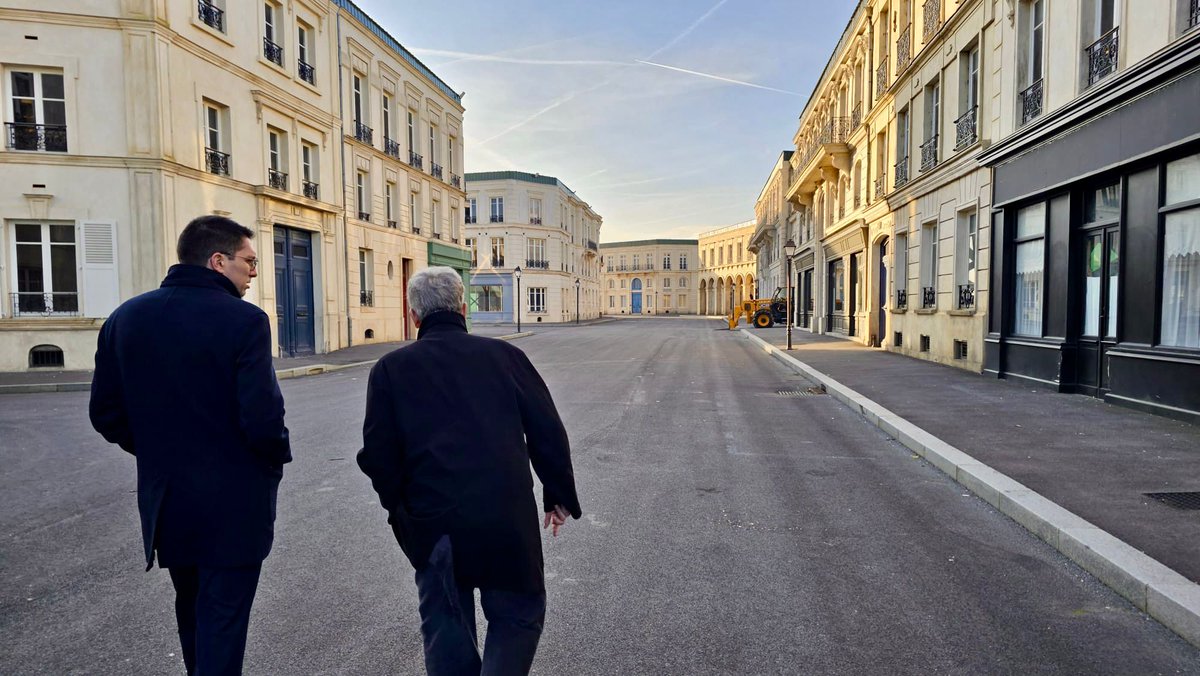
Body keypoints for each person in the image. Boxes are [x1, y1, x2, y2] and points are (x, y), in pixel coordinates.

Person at [89, 215, 290, 675]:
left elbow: (105, 414)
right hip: (234, 503)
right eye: (249, 262)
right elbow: (263, 421)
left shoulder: (125, 318)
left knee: (193, 611)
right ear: (218, 261)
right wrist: (272, 459)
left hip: (169, 501)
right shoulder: (245, 320)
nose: (254, 272)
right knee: (223, 620)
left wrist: (161, 449)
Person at [358, 266, 581, 675]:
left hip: (433, 522)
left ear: (414, 316)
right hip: (505, 518)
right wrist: (557, 493)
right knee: (518, 615)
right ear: (463, 309)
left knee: (446, 630)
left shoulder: (390, 370)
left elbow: (378, 454)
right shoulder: (506, 357)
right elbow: (546, 427)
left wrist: (401, 512)